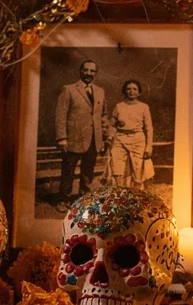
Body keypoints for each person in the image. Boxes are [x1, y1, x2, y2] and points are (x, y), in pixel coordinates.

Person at [54, 60, 106, 207]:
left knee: (88, 171)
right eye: (86, 70)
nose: (89, 73)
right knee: (68, 171)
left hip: (93, 139)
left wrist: (104, 138)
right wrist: (62, 138)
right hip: (73, 138)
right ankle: (63, 199)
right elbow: (60, 115)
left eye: (92, 71)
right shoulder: (69, 89)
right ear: (80, 71)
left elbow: (103, 115)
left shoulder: (100, 91)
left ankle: (84, 199)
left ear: (96, 73)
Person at [108, 79, 156, 187]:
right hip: (120, 139)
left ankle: (137, 195)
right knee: (117, 169)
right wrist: (110, 138)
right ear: (124, 91)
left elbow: (149, 128)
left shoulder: (144, 107)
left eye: (135, 89)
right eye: (128, 89)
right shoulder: (119, 106)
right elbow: (112, 125)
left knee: (138, 169)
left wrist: (149, 147)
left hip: (138, 140)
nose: (131, 91)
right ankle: (120, 195)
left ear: (139, 92)